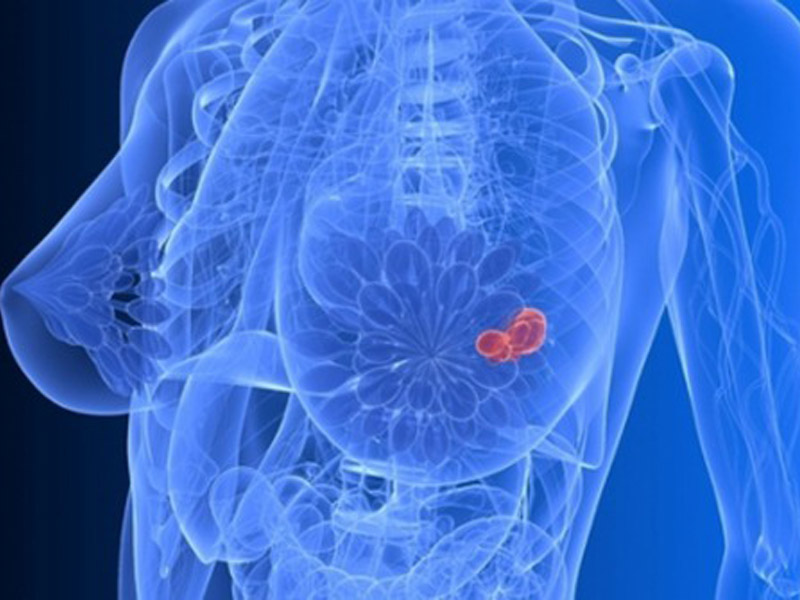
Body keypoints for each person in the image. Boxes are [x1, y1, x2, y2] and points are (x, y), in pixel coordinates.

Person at [2, 0, 798, 598]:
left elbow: (70, 329)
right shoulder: (211, 40)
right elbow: (62, 316)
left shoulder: (211, 41)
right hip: (379, 484)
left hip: (432, 492)